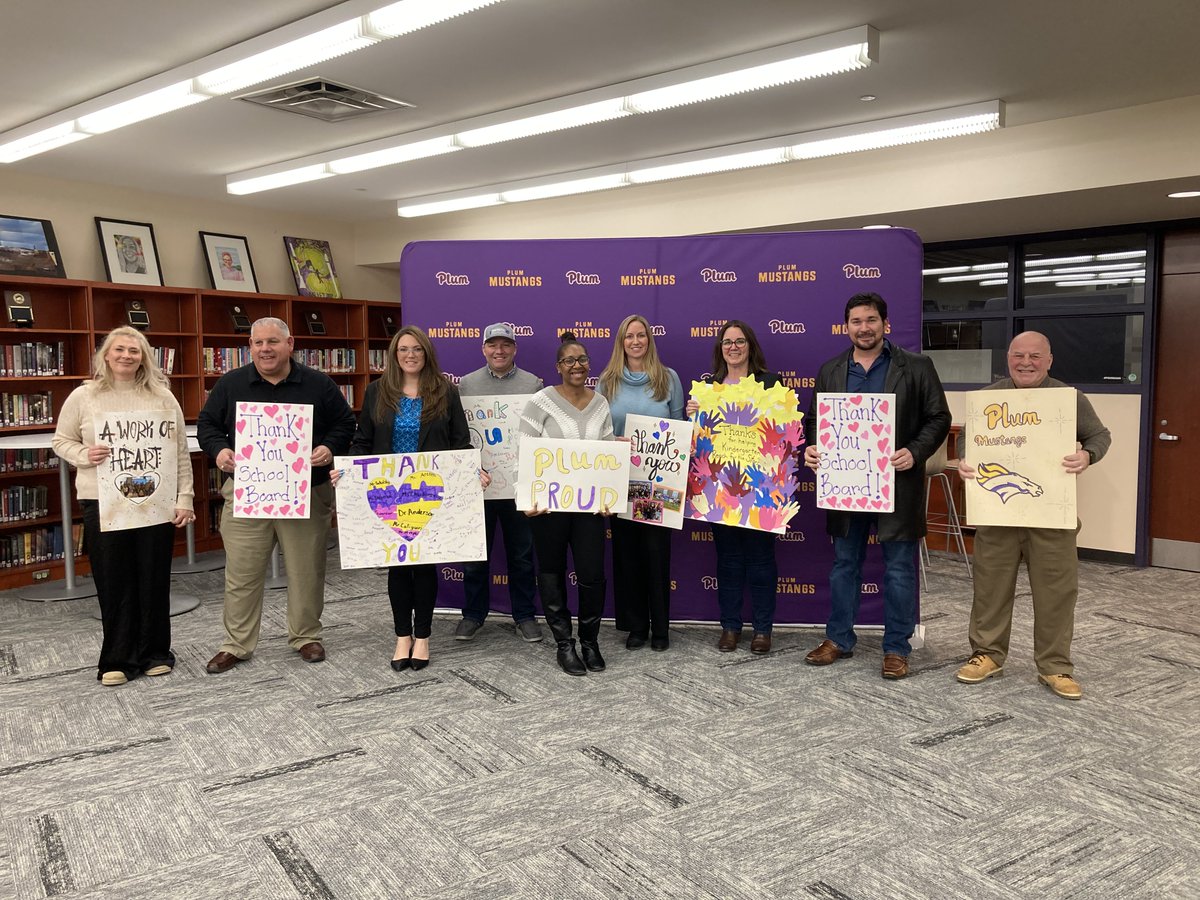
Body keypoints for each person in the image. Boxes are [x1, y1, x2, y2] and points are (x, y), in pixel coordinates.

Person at [954, 331, 1111, 700]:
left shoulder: (1068, 399)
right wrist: (965, 459)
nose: (1026, 362)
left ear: (1049, 360)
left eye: (1035, 356)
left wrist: (1087, 455)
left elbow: (1099, 436)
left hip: (1051, 514)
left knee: (1056, 592)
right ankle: (987, 654)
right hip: (998, 514)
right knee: (990, 587)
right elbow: (966, 439)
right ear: (1008, 357)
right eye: (1019, 355)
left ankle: (1055, 665)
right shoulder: (990, 398)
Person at [803, 292, 950, 679]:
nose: (864, 328)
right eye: (856, 321)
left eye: (871, 320)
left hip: (898, 484)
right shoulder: (831, 369)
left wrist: (915, 452)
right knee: (844, 566)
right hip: (846, 485)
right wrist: (814, 447)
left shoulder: (916, 366)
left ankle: (897, 648)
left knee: (899, 570)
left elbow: (939, 417)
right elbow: (815, 420)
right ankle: (838, 639)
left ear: (885, 324)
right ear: (846, 326)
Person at [197, 317, 355, 674]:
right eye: (258, 343)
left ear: (290, 344)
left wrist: (329, 447)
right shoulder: (231, 383)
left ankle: (305, 635)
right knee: (242, 573)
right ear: (250, 347)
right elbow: (207, 425)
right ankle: (236, 644)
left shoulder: (318, 383)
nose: (265, 349)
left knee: (306, 569)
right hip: (248, 493)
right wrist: (220, 451)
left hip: (305, 492)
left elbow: (345, 423)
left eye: (272, 342)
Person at [52, 327, 194, 685]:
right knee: (113, 579)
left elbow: (179, 452)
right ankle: (117, 659)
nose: (127, 356)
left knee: (153, 577)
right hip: (103, 502)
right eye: (119, 349)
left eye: (134, 350)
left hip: (155, 503)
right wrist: (84, 454)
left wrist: (185, 498)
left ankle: (155, 653)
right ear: (106, 355)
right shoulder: (84, 396)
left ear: (144, 357)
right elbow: (61, 441)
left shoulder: (163, 397)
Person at [341, 326, 485, 671]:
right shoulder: (377, 392)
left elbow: (459, 442)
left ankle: (422, 637)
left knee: (423, 565)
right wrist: (346, 471)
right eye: (404, 349)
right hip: (389, 495)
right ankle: (401, 636)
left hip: (428, 492)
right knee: (398, 567)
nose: (410, 355)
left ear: (427, 354)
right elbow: (363, 441)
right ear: (394, 354)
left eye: (417, 349)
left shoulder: (445, 392)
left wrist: (472, 471)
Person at [685, 319, 790, 655]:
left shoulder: (771, 384)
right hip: (721, 490)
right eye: (727, 342)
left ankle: (763, 630)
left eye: (739, 341)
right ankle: (730, 626)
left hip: (760, 488)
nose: (733, 347)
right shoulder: (709, 387)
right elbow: (698, 440)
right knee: (728, 559)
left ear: (750, 345)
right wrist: (694, 415)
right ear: (720, 348)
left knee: (761, 560)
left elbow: (785, 432)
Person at [519, 332, 615, 675]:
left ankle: (590, 642)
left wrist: (610, 495)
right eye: (569, 360)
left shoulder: (601, 403)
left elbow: (608, 455)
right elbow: (524, 452)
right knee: (551, 572)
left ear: (589, 364)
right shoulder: (540, 402)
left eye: (582, 359)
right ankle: (564, 644)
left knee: (592, 575)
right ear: (558, 366)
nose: (577, 365)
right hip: (549, 508)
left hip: (589, 508)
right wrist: (526, 497)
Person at [598, 314, 684, 652]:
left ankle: (660, 628)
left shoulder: (668, 378)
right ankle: (636, 626)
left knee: (656, 555)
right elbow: (598, 432)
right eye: (629, 336)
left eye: (641, 335)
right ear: (621, 342)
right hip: (623, 482)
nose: (636, 341)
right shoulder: (607, 381)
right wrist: (612, 442)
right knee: (627, 555)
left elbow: (679, 427)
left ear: (649, 339)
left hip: (660, 485)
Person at [454, 322, 544, 643]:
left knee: (522, 555)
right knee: (476, 556)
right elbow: (459, 433)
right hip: (479, 484)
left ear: (515, 349)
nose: (499, 350)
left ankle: (524, 615)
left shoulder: (533, 384)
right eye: (493, 345)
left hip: (518, 485)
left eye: (506, 344)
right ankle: (473, 615)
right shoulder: (466, 384)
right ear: (483, 349)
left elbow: (540, 433)